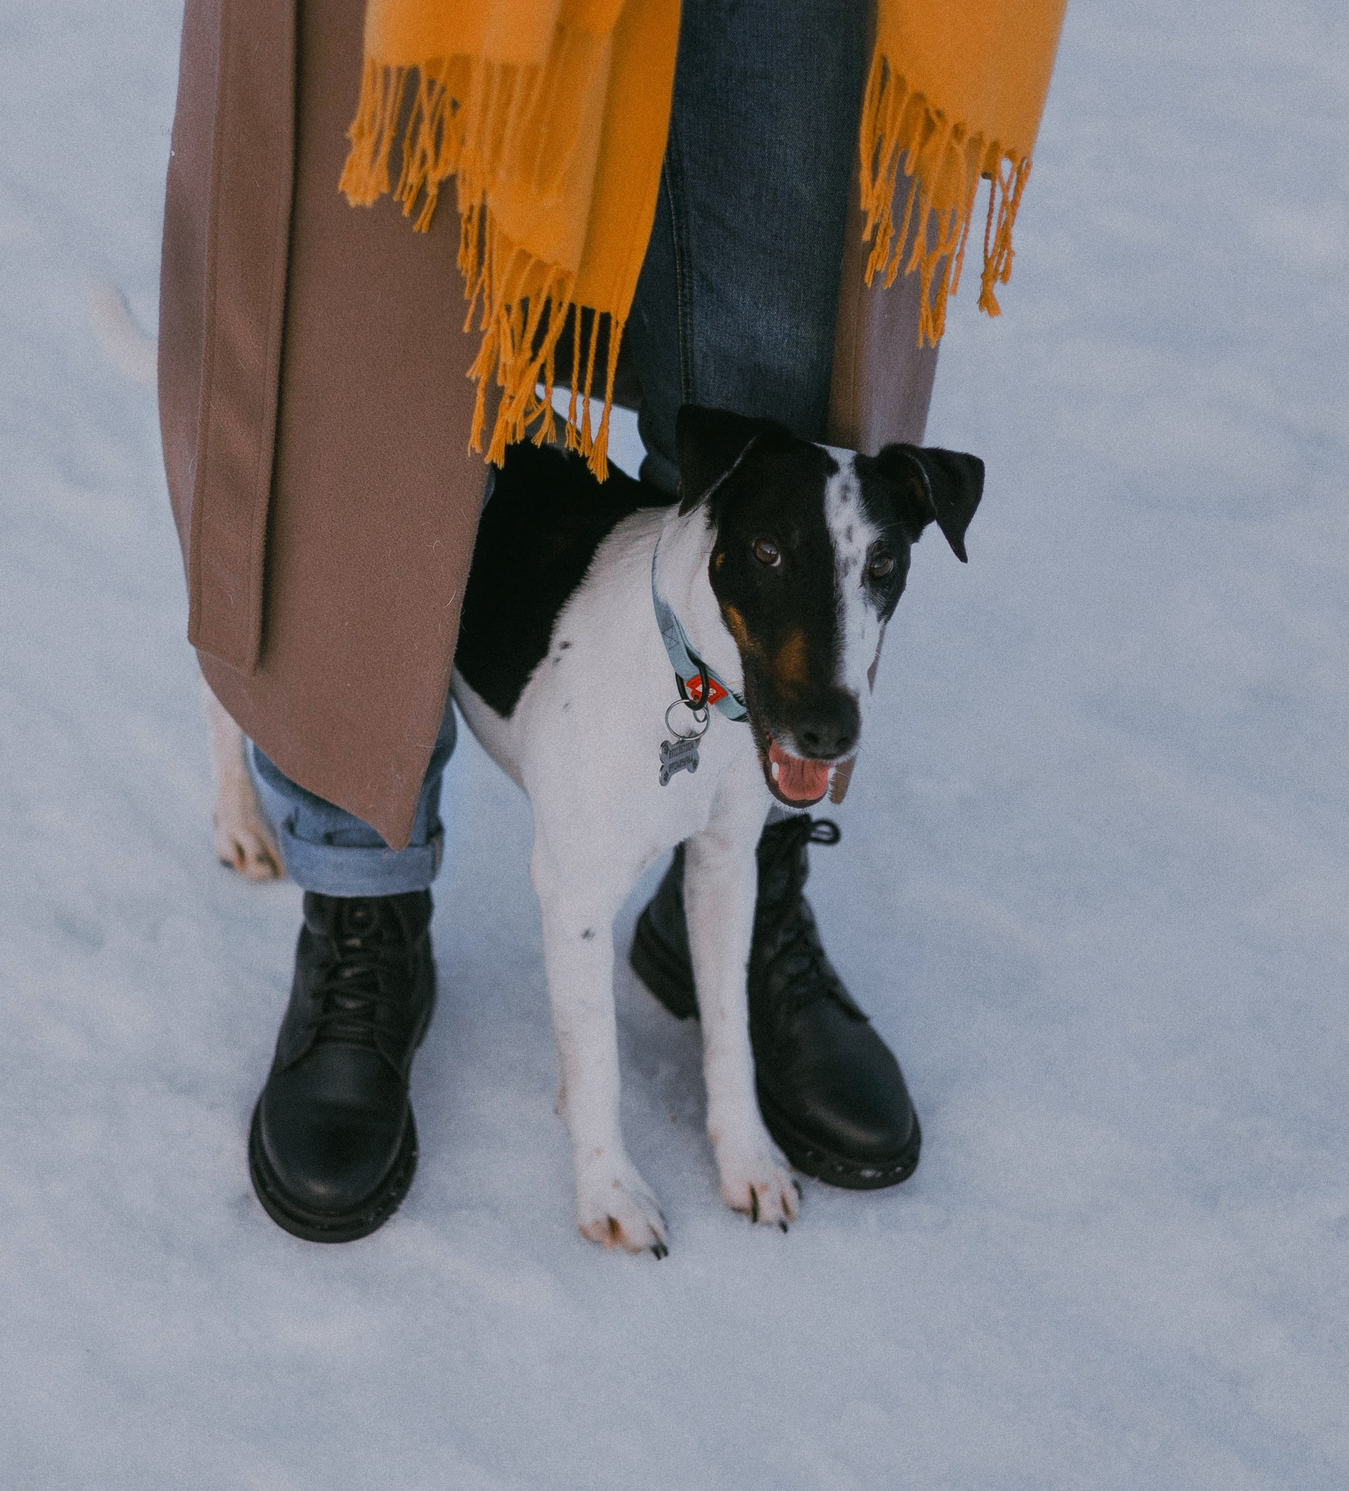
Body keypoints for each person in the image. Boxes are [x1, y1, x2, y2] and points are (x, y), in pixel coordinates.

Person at [158, 0, 1055, 1242]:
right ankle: (359, 885)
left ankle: (739, 927)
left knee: (776, 231)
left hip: (686, 661)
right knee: (370, 263)